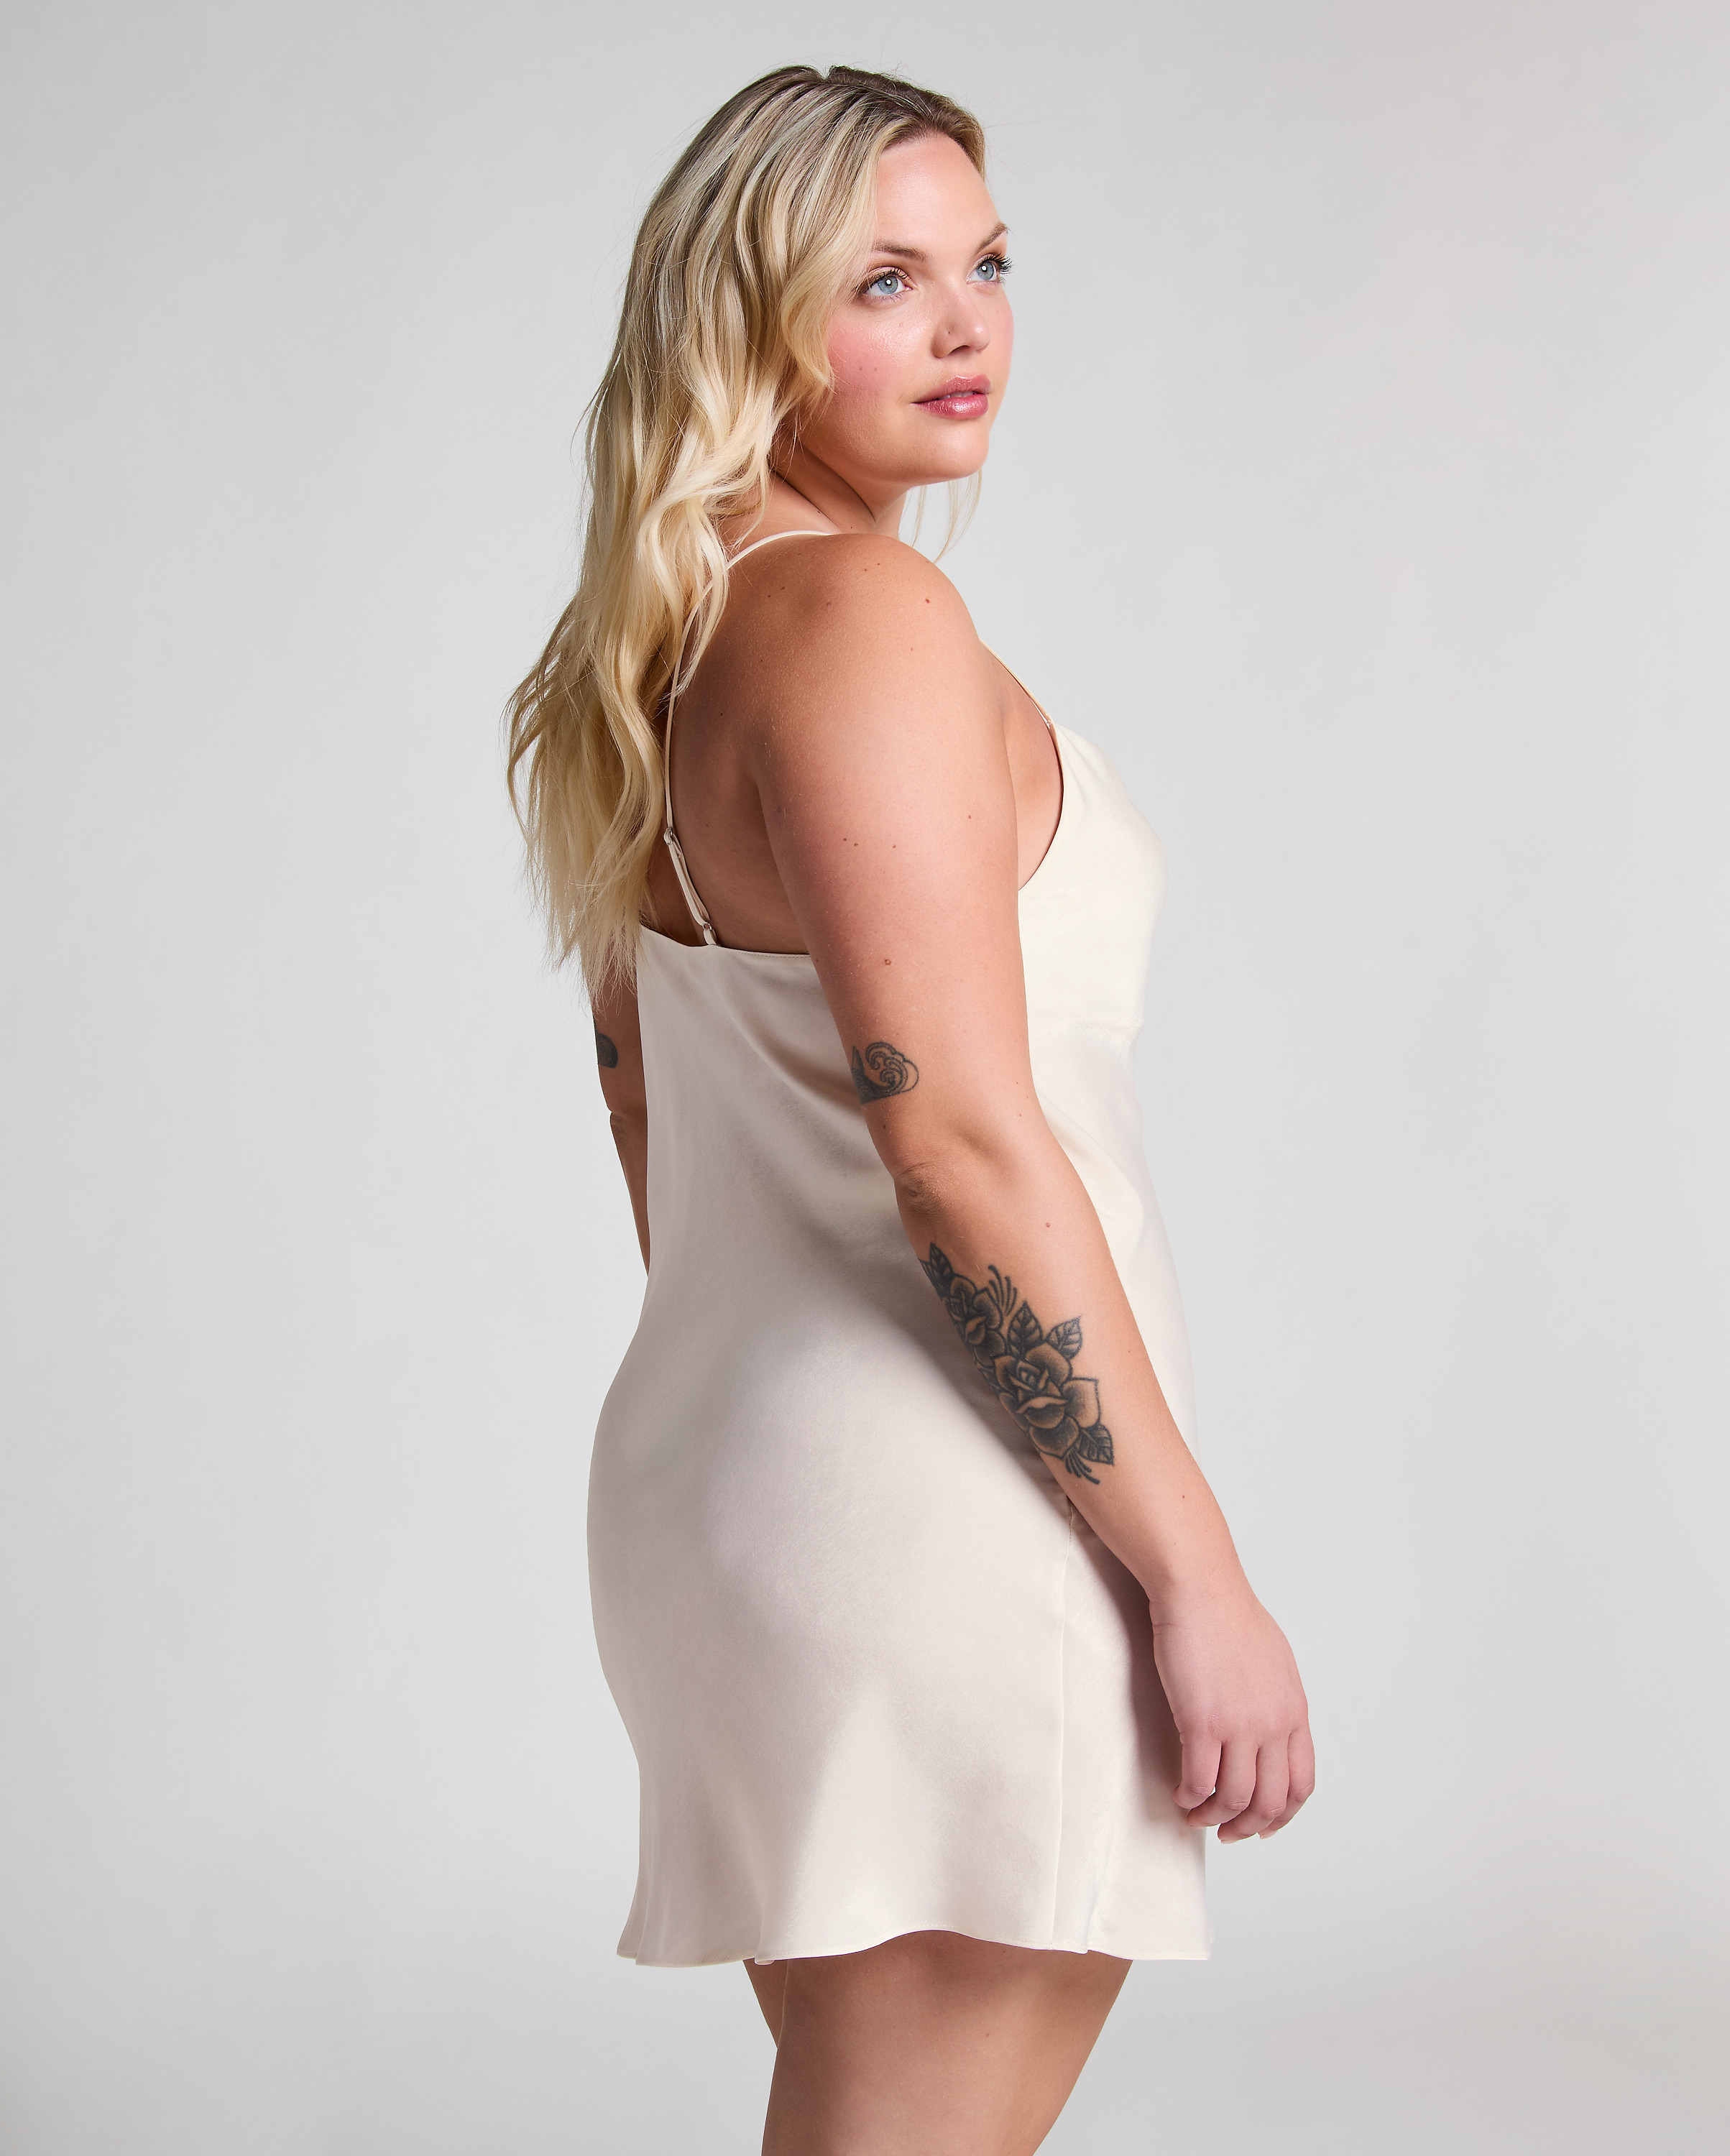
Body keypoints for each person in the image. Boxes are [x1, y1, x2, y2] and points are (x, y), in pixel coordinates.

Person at [507, 63, 1314, 2156]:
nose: (966, 326)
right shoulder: (862, 617)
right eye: (883, 280)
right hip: (944, 1507)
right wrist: (1196, 1574)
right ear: (748, 317)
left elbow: (647, 1122)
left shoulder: (650, 655)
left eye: (988, 265)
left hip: (738, 1483)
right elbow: (950, 1143)